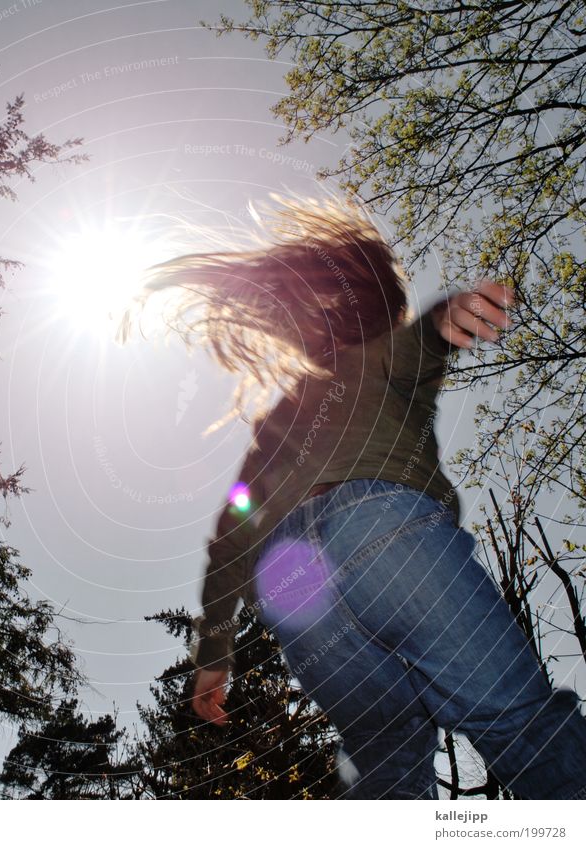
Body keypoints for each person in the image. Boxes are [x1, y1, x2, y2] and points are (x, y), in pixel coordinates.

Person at [116, 191, 586, 799]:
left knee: (386, 760)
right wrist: (448, 318)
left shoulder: (279, 415)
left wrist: (214, 652)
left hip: (293, 584)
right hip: (381, 531)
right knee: (519, 721)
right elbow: (424, 344)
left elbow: (232, 540)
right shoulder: (382, 356)